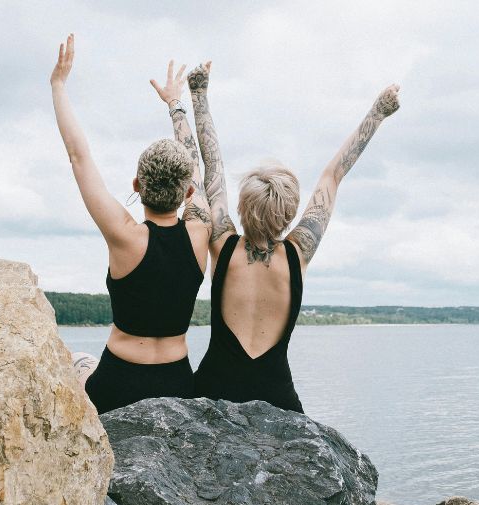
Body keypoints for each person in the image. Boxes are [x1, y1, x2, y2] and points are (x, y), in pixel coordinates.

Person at [188, 61, 401, 413]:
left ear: (242, 206)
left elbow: (215, 167)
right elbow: (333, 176)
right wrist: (377, 113)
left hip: (213, 388)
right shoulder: (299, 251)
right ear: (289, 214)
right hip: (276, 395)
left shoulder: (221, 242)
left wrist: (199, 95)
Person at [50, 35, 211, 414]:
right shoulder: (200, 233)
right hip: (177, 383)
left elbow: (79, 156)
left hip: (118, 382)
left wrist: (58, 84)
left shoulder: (125, 236)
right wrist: (175, 105)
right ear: (188, 193)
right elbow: (196, 168)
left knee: (78, 362)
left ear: (137, 186)